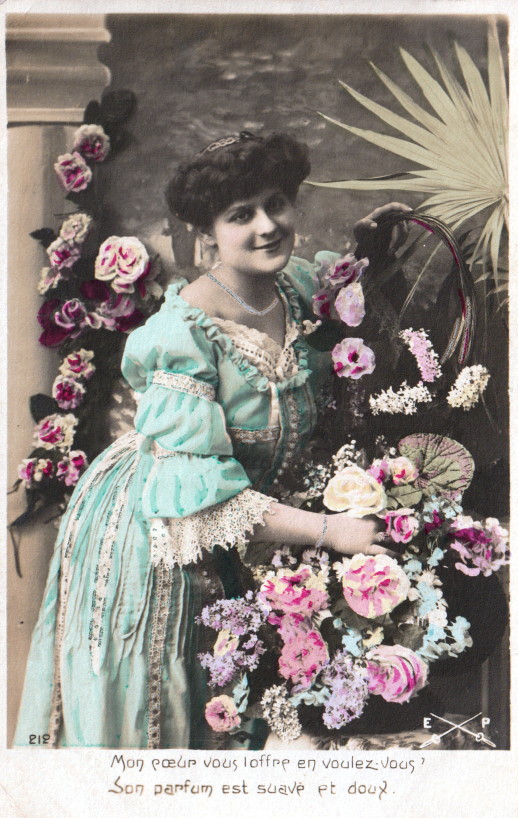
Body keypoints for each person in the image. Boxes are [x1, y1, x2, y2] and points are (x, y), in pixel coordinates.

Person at [14, 130, 409, 749]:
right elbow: (202, 503)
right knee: (165, 702)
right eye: (240, 215)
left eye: (276, 203)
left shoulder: (294, 286)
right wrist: (331, 532)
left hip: (245, 522)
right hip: (158, 525)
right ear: (208, 234)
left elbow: (341, 310)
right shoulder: (184, 333)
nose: (266, 226)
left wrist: (369, 253)